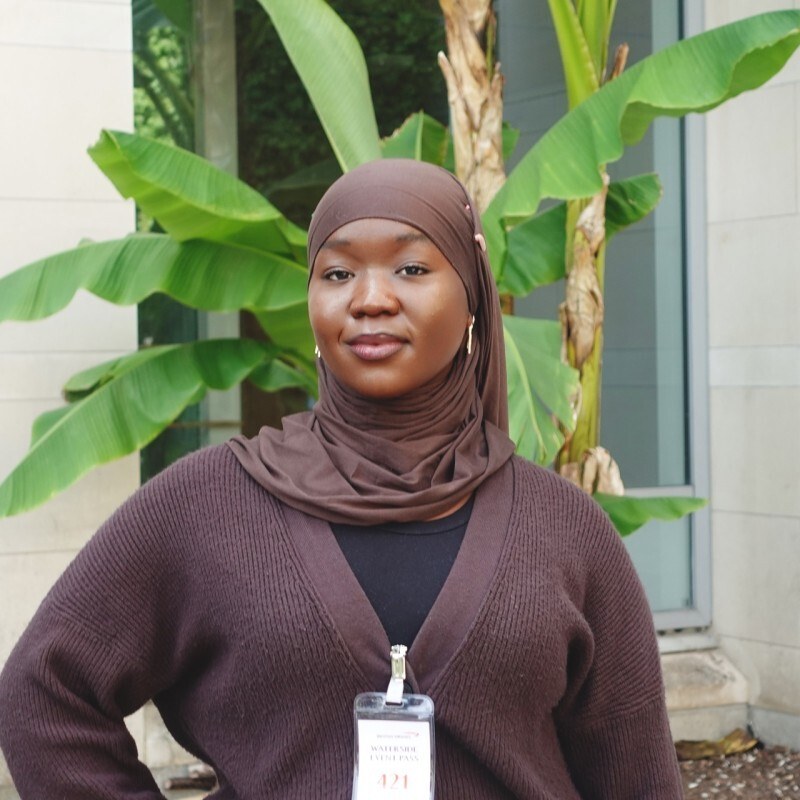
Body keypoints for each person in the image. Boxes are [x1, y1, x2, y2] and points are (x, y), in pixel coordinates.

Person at [0, 159, 683, 798]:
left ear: (474, 297)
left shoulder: (564, 528)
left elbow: (637, 777)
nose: (371, 299)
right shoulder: (207, 504)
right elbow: (43, 692)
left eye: (412, 268)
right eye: (337, 274)